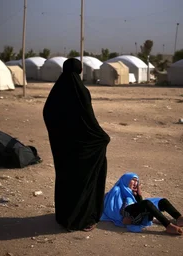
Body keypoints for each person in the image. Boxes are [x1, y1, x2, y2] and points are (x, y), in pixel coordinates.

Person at [43, 58, 110, 232]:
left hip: (63, 149)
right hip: (82, 149)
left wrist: (60, 137)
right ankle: (83, 220)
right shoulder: (81, 91)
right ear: (80, 70)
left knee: (66, 180)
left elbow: (48, 114)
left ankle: (65, 218)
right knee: (83, 182)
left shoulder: (56, 91)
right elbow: (88, 120)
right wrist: (102, 137)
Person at [101, 173, 183, 235]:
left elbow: (139, 204)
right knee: (147, 203)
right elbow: (112, 207)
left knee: (161, 200)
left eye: (137, 181)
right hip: (125, 214)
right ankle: (168, 226)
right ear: (126, 180)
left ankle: (179, 218)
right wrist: (122, 218)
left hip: (133, 211)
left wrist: (138, 195)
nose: (135, 183)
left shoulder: (131, 192)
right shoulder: (117, 190)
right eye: (133, 180)